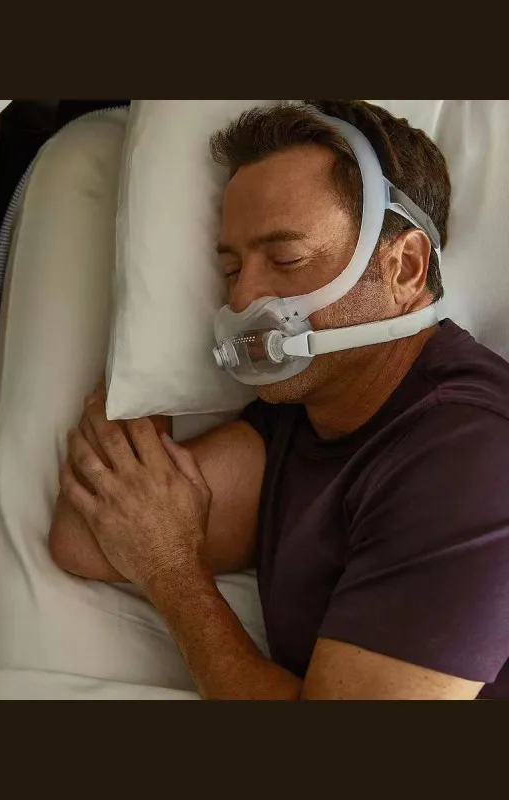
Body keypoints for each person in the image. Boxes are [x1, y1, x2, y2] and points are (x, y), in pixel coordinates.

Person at [47, 100, 509, 700]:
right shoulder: (306, 414)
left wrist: (173, 574)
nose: (243, 302)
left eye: (286, 259)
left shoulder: (472, 458)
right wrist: (148, 355)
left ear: (405, 268)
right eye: (231, 270)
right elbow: (90, 534)